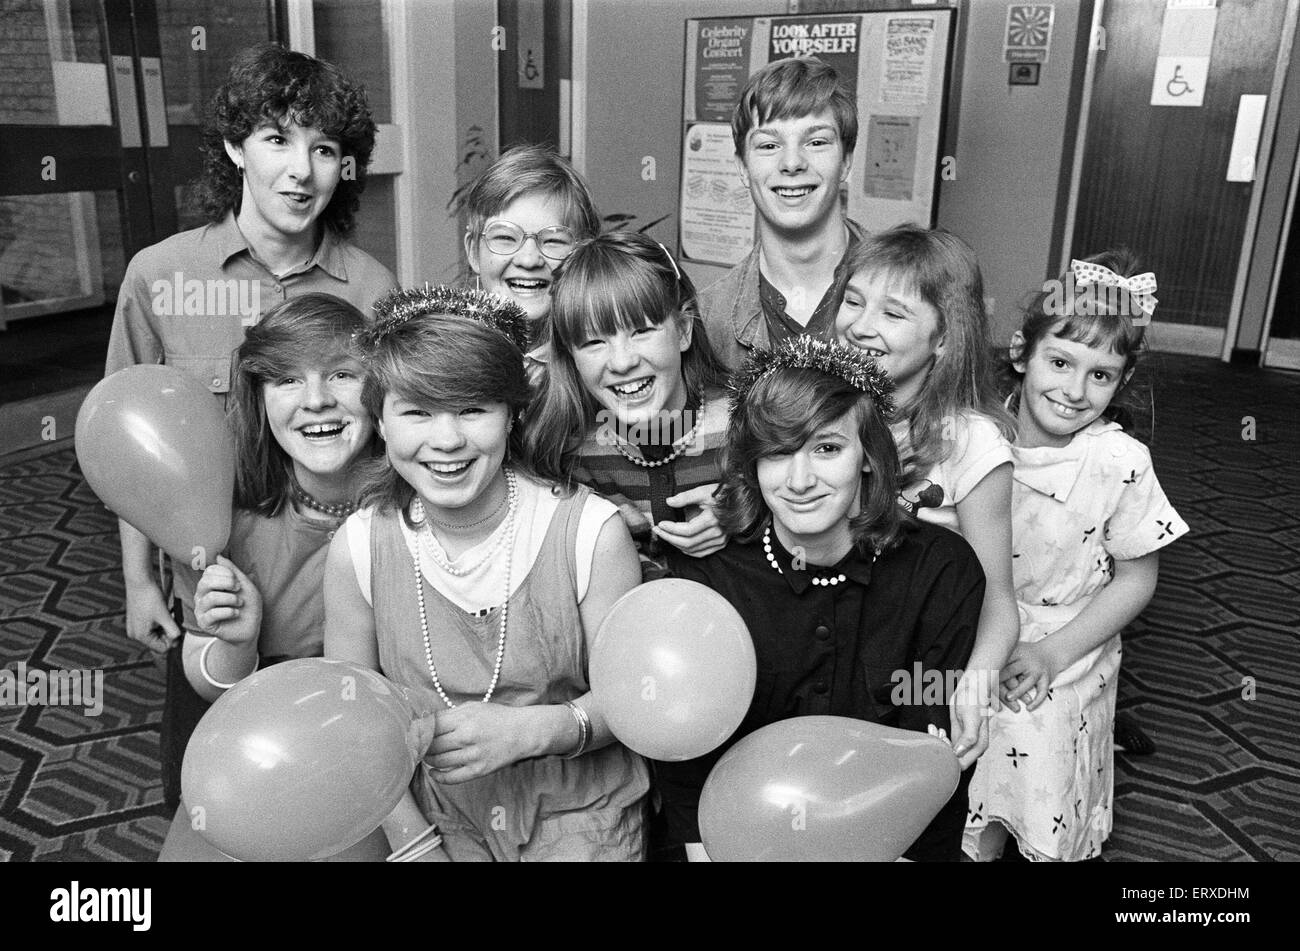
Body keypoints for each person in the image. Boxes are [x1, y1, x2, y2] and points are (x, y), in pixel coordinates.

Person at [323, 286, 648, 862]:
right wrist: (415, 843)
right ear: (380, 420)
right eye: (416, 412)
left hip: (581, 817)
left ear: (512, 414)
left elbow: (635, 706)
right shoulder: (359, 548)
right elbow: (349, 721)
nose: (446, 441)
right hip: (431, 822)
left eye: (473, 409)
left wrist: (531, 732)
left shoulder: (591, 534)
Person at [106, 42, 395, 683]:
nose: (302, 171)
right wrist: (137, 580)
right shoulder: (160, 276)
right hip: (211, 604)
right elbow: (128, 446)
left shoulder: (372, 291)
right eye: (276, 140)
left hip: (340, 613)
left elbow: (391, 452)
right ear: (236, 148)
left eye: (323, 150)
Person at [656, 336, 986, 861]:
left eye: (827, 449)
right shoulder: (711, 576)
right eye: (778, 453)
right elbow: (686, 748)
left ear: (870, 459)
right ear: (751, 466)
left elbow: (927, 745)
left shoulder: (940, 572)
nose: (800, 480)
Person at [963, 252, 1188, 862]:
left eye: (1100, 375)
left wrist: (1052, 652)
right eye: (1060, 362)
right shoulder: (974, 434)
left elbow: (1138, 578)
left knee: (1038, 766)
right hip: (976, 623)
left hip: (1067, 640)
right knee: (962, 765)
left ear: (1122, 382)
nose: (1074, 390)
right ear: (1020, 353)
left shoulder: (1120, 463)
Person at [158, 295, 376, 814]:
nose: (317, 400)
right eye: (287, 380)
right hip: (265, 743)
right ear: (259, 399)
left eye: (343, 374)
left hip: (386, 736)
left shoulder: (423, 492)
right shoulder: (214, 509)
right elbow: (209, 684)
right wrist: (239, 640)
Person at [835, 224, 1019, 770]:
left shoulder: (973, 444)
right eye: (852, 301)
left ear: (944, 338)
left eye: (893, 314)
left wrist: (973, 686)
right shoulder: (825, 416)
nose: (861, 327)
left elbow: (1000, 604)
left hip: (915, 672)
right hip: (831, 655)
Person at [523, 232, 731, 577]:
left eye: (641, 331)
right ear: (571, 358)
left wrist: (741, 511)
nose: (621, 362)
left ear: (682, 331)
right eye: (593, 342)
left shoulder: (741, 425)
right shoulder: (571, 453)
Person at [698, 57, 865, 371]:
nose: (791, 163)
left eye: (816, 141)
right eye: (768, 145)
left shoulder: (915, 288)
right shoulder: (709, 320)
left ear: (846, 161)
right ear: (743, 167)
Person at [460, 143, 601, 375]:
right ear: (474, 252)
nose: (528, 260)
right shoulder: (442, 356)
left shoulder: (604, 364)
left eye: (554, 241)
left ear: (585, 255)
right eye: (505, 237)